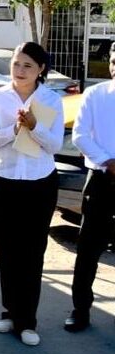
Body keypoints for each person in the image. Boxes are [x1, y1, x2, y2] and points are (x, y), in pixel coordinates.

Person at [0, 42, 63, 346]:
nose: (19, 70)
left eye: (28, 65)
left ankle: (28, 320)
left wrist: (35, 126)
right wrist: (14, 131)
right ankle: (9, 311)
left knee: (32, 251)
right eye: (16, 63)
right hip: (3, 180)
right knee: (7, 249)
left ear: (40, 69)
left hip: (39, 182)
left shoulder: (51, 99)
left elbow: (54, 145)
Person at [65, 41, 115, 333]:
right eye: (114, 61)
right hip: (101, 179)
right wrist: (107, 161)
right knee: (88, 248)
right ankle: (80, 309)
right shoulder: (95, 95)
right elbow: (80, 135)